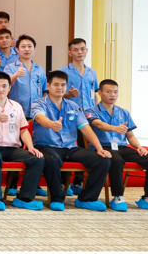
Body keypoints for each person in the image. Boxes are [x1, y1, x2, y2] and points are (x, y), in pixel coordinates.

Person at [31, 70, 111, 212]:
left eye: (63, 85)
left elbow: (85, 128)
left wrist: (99, 148)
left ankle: (87, 199)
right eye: (56, 84)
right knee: (51, 160)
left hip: (70, 147)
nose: (60, 87)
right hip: (46, 146)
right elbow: (39, 118)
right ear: (48, 86)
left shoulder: (73, 106)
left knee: (102, 160)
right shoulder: (39, 103)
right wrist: (52, 124)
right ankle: (57, 198)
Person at [87, 79, 148, 212]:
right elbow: (98, 124)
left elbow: (130, 135)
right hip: (103, 147)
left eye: (115, 92)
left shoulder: (123, 112)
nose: (112, 95)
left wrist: (139, 147)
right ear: (100, 93)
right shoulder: (91, 111)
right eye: (108, 92)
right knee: (117, 160)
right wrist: (114, 128)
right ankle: (118, 197)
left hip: (122, 147)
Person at [0, 72, 45, 211]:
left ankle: (24, 199)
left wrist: (31, 147)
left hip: (13, 148)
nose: (1, 89)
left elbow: (24, 130)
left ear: (9, 88)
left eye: (4, 86)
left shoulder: (16, 106)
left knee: (37, 159)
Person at [1, 35, 46, 119]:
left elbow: (44, 91)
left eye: (30, 46)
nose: (27, 49)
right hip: (16, 111)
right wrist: (16, 75)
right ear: (17, 49)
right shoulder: (10, 67)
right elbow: (4, 85)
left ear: (34, 49)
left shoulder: (39, 69)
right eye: (23, 46)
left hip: (37, 113)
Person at [61, 38, 99, 110]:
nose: (80, 52)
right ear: (70, 52)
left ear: (86, 50)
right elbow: (55, 95)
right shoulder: (62, 72)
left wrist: (97, 111)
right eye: (75, 50)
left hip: (90, 112)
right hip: (70, 112)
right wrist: (68, 95)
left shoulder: (92, 72)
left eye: (82, 49)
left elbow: (94, 94)